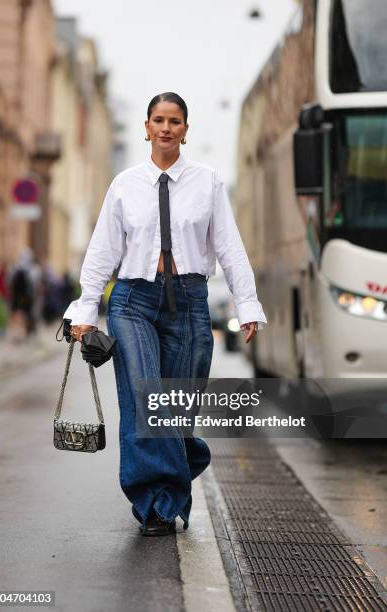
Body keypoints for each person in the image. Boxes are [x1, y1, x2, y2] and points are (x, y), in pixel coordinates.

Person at [63, 92, 267, 536]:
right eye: (159, 119)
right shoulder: (124, 184)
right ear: (146, 126)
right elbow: (102, 252)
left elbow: (230, 247)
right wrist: (84, 309)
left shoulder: (208, 182)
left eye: (175, 121)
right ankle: (155, 504)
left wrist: (246, 302)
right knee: (145, 398)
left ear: (186, 130)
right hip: (133, 301)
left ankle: (181, 460)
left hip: (189, 302)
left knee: (175, 409)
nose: (166, 128)